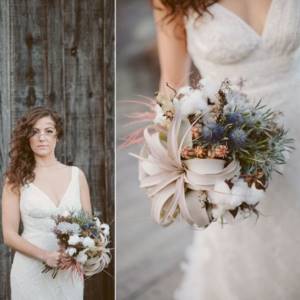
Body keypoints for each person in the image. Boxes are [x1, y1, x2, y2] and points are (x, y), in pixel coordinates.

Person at [152, 0, 300, 299]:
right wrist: (175, 157)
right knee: (244, 246)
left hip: (296, 123)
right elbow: (171, 86)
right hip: (229, 152)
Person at [2, 106, 92, 300]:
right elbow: (9, 235)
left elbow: (89, 228)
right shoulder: (16, 179)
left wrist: (76, 252)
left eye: (48, 131)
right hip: (30, 271)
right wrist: (45, 255)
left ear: (57, 136)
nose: (42, 137)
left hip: (69, 271)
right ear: (27, 138)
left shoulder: (77, 176)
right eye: (35, 132)